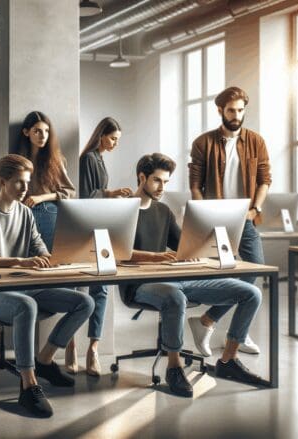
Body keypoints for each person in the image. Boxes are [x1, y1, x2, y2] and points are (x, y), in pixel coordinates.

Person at [123, 152, 263, 397]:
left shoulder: (163, 211)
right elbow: (117, 252)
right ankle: (174, 368)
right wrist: (156, 257)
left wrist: (204, 246)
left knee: (251, 293)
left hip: (177, 278)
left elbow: (182, 245)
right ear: (141, 177)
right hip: (139, 284)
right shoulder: (123, 210)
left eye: (166, 182)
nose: (162, 187)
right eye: (157, 180)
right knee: (174, 297)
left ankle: (228, 361)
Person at [0, 154, 94, 418]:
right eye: (19, 183)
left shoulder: (26, 212)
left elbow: (39, 246)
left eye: (27, 182)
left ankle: (45, 360)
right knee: (26, 305)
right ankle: (28, 385)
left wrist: (49, 257)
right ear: (2, 181)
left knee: (84, 302)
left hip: (27, 287)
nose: (26, 188)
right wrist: (21, 260)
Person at [187, 86, 271, 356]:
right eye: (231, 110)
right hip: (215, 218)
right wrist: (206, 215)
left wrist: (255, 209)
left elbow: (264, 179)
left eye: (240, 110)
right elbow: (195, 186)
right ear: (220, 111)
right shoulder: (203, 143)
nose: (236, 115)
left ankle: (211, 322)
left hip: (245, 217)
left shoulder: (256, 141)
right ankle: (234, 332)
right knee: (228, 275)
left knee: (254, 269)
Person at [68, 117, 132, 376]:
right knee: (77, 288)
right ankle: (70, 345)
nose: (115, 143)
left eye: (117, 139)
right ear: (101, 135)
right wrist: (111, 193)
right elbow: (86, 195)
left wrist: (113, 197)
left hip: (102, 227)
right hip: (85, 228)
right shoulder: (88, 159)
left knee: (102, 287)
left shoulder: (100, 158)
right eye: (113, 138)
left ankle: (93, 347)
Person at [15, 111, 75, 250]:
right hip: (23, 212)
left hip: (47, 210)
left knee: (45, 257)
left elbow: (69, 191)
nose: (43, 136)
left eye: (46, 131)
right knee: (27, 259)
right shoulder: (19, 159)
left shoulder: (55, 159)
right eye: (37, 131)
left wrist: (40, 198)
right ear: (26, 132)